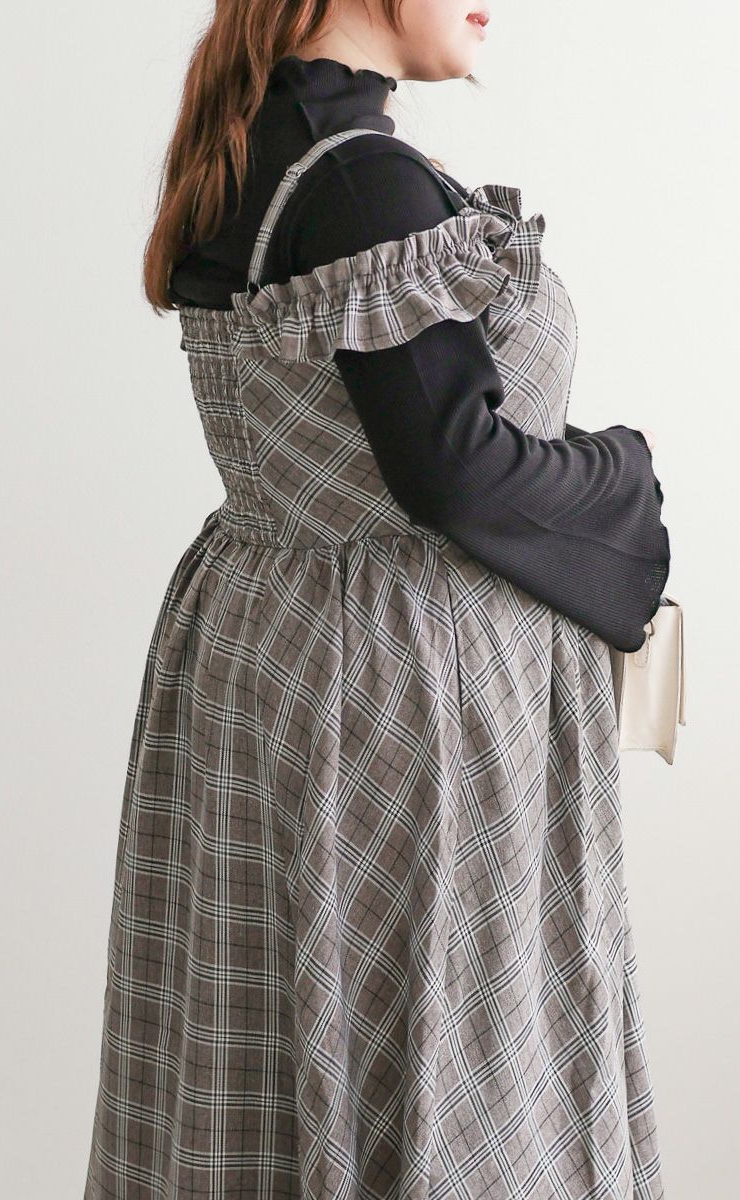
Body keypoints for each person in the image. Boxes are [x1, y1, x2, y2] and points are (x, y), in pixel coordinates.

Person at [84, 3, 670, 1198]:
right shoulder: (357, 183)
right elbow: (454, 471)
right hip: (406, 699)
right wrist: (627, 478)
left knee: (301, 1050)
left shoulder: (268, 144)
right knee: (455, 1075)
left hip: (281, 658)